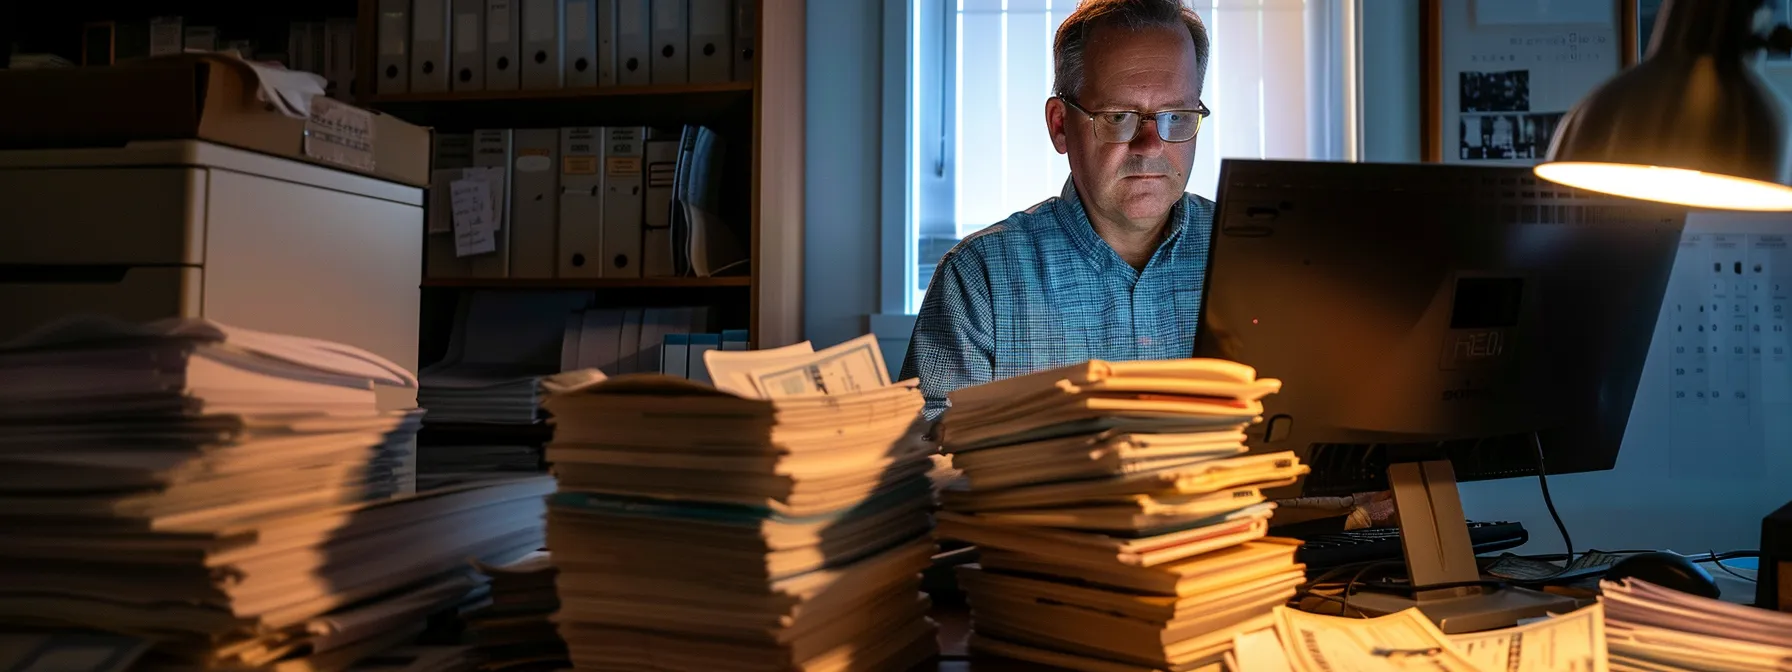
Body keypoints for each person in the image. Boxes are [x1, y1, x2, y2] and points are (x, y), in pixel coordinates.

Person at [900, 0, 1216, 420]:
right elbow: (929, 461)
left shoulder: (1254, 256)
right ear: (1060, 125)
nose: (1151, 145)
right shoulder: (980, 278)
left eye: (1176, 116)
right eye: (1118, 116)